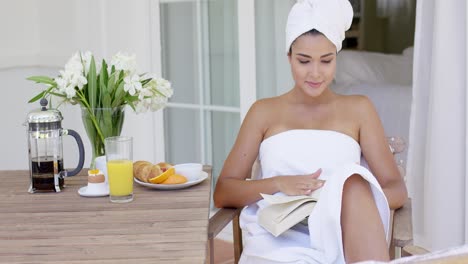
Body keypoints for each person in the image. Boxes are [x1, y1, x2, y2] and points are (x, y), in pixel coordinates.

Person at [213, 0, 408, 263]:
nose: (315, 73)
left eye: (326, 61)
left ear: (336, 57)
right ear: (289, 57)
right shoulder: (263, 111)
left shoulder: (359, 109)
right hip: (275, 240)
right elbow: (224, 191)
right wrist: (278, 183)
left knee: (352, 182)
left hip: (342, 237)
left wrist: (339, 199)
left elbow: (396, 189)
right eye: (304, 61)